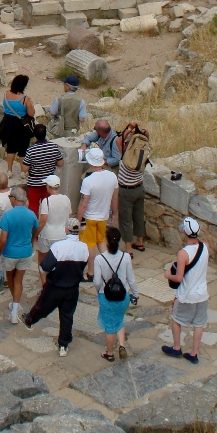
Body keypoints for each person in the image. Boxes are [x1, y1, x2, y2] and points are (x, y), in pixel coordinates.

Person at [23, 218, 89, 357]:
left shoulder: (58, 247)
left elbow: (45, 266)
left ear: (66, 229)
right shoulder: (84, 248)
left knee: (42, 306)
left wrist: (44, 274)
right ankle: (63, 345)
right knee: (67, 316)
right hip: (72, 288)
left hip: (55, 285)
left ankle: (30, 320)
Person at [163, 217, 209, 364]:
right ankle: (194, 353)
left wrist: (168, 274)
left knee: (176, 319)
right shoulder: (205, 246)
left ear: (184, 232)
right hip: (202, 294)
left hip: (187, 295)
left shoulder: (183, 254)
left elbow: (178, 278)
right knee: (199, 324)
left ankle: (177, 347)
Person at [0, 186, 40, 325]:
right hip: (25, 252)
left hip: (10, 253)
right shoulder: (31, 214)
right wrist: (31, 241)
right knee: (19, 280)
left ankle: (15, 305)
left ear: (13, 199)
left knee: (11, 279)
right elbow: (35, 228)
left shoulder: (7, 215)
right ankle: (15, 307)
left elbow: (3, 239)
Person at [94, 226, 139, 361]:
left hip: (106, 296)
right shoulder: (125, 257)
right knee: (119, 320)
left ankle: (109, 353)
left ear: (106, 242)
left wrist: (99, 291)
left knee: (109, 326)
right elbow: (131, 279)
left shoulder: (99, 259)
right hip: (122, 296)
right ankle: (121, 345)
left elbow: (96, 281)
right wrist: (135, 294)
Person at [77, 146, 119, 280]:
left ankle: (91, 272)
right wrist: (114, 214)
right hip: (103, 215)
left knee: (90, 245)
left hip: (89, 217)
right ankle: (110, 268)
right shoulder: (112, 176)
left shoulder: (88, 181)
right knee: (101, 241)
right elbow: (115, 197)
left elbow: (83, 203)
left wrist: (78, 220)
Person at [117, 121, 148, 256]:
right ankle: (140, 242)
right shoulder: (146, 152)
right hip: (139, 188)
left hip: (126, 190)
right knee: (138, 216)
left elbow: (118, 141)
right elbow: (147, 137)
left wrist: (129, 128)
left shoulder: (127, 155)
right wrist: (142, 131)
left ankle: (129, 249)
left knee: (125, 220)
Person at [22, 123, 64, 214]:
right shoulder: (54, 147)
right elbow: (61, 163)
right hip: (49, 182)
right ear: (45, 134)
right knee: (48, 206)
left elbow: (24, 168)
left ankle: (34, 226)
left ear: (35, 135)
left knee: (33, 207)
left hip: (34, 183)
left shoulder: (31, 150)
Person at [0, 74, 35, 178]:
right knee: (23, 149)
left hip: (7, 123)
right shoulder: (25, 99)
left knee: (10, 148)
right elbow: (31, 113)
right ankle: (23, 172)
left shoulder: (6, 94)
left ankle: (9, 170)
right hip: (20, 126)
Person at [36, 175, 72, 264]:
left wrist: (36, 233)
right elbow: (69, 216)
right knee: (59, 260)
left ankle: (44, 278)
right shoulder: (66, 199)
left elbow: (43, 220)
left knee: (42, 261)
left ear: (48, 186)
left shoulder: (46, 201)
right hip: (62, 234)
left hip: (47, 235)